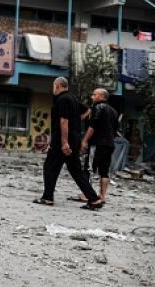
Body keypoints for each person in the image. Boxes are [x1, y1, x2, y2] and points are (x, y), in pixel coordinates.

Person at [34, 77, 103, 210]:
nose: (53, 88)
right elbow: (87, 110)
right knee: (75, 170)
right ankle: (94, 199)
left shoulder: (62, 99)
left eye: (54, 86)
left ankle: (48, 197)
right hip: (74, 138)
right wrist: (76, 121)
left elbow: (64, 121)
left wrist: (64, 143)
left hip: (63, 140)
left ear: (58, 85)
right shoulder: (73, 98)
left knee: (49, 167)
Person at [76, 89, 118, 203]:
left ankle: (86, 194)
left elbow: (92, 126)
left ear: (101, 96)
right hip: (109, 144)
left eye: (94, 94)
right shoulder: (114, 111)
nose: (92, 97)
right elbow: (115, 130)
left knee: (89, 168)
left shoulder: (98, 107)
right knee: (105, 171)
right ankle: (102, 196)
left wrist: (84, 140)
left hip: (97, 144)